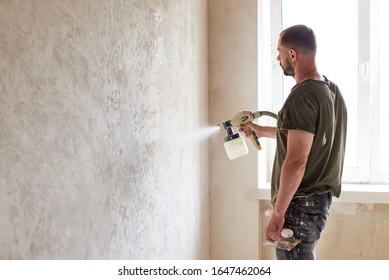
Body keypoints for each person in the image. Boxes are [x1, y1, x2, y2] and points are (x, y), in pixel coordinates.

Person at [240, 24, 347, 260]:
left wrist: (278, 213)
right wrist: (261, 130)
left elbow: (298, 159)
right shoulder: (331, 90)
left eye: (279, 52)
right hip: (317, 204)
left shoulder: (302, 95)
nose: (277, 58)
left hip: (299, 205)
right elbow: (308, 138)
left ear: (292, 54)